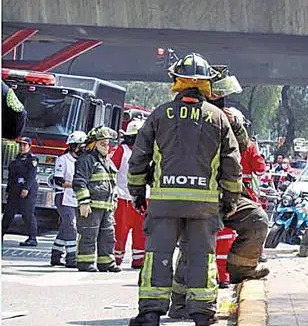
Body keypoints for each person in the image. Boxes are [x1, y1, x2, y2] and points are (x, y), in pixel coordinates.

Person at [127, 53, 242, 326]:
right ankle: (202, 315)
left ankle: (150, 314)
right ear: (206, 84)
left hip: (164, 205)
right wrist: (230, 200)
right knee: (202, 257)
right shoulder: (217, 118)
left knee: (158, 255)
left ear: (176, 81)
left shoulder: (159, 115)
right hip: (204, 207)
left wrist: (137, 192)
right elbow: (231, 164)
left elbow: (139, 158)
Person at [169, 66, 270, 320]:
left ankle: (241, 270)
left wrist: (233, 122)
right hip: (195, 192)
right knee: (195, 245)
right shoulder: (182, 113)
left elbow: (243, 148)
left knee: (257, 221)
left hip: (225, 193)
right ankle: (180, 302)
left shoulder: (224, 117)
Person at [73, 126, 121, 273]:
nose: (107, 147)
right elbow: (79, 182)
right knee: (88, 234)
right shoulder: (86, 160)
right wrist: (84, 202)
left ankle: (106, 263)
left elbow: (112, 183)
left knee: (108, 236)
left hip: (106, 207)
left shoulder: (107, 162)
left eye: (108, 144)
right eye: (103, 144)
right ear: (93, 144)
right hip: (91, 206)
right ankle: (85, 263)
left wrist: (115, 200)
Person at [111, 119, 148, 269]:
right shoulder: (122, 150)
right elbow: (112, 170)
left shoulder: (149, 151)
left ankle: (139, 259)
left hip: (144, 197)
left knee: (142, 231)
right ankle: (117, 257)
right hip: (123, 197)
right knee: (120, 229)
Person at [50, 131, 87, 267]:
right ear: (75, 146)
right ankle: (71, 258)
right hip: (63, 197)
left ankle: (56, 255)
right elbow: (59, 181)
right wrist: (76, 184)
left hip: (76, 197)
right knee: (71, 226)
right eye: (82, 146)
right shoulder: (63, 160)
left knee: (66, 226)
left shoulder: (83, 161)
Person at [1, 137, 39, 246]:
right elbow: (11, 177)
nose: (22, 147)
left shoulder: (32, 160)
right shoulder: (16, 159)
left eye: (24, 145)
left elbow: (31, 176)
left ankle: (32, 238)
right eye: (20, 145)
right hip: (14, 190)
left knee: (27, 214)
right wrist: (8, 190)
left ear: (29, 147)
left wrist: (26, 188)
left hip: (27, 191)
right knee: (8, 213)